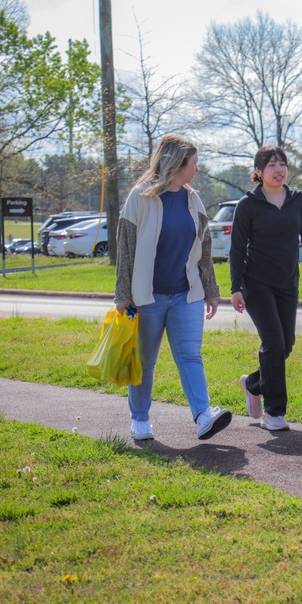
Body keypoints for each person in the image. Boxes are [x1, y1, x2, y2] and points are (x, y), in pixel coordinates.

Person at [114, 134, 232, 442]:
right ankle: (140, 420)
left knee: (191, 355)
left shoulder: (192, 199)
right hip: (147, 298)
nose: (197, 169)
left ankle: (203, 415)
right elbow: (125, 249)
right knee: (145, 360)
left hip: (186, 294)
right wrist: (122, 296)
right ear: (176, 164)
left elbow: (204, 247)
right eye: (193, 163)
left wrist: (211, 289)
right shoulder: (140, 197)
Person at [229, 146, 302, 432]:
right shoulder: (248, 205)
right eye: (271, 165)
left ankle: (252, 383)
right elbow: (237, 250)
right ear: (258, 172)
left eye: (282, 164)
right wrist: (236, 287)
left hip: (288, 283)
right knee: (274, 343)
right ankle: (274, 412)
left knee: (285, 345)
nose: (278, 170)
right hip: (257, 283)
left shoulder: (299, 201)